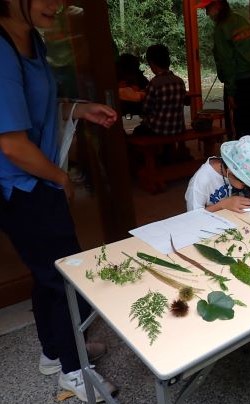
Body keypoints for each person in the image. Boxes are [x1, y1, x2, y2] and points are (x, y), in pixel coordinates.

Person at [0, 0, 119, 401]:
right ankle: (74, 373)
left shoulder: (31, 38)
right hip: (21, 187)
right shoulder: (0, 49)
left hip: (37, 181)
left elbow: (38, 107)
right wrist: (60, 177)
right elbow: (12, 144)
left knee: (47, 274)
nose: (58, 3)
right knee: (65, 279)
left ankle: (55, 352)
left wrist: (81, 109)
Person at [197, 0, 250, 138]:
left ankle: (239, 157)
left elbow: (227, 62)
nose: (207, 13)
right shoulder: (241, 20)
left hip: (239, 81)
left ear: (219, 5)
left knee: (238, 125)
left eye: (208, 8)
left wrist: (231, 92)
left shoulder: (222, 28)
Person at [185, 136, 250, 213]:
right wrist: (222, 205)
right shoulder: (201, 181)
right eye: (248, 184)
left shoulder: (238, 173)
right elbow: (193, 216)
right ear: (231, 172)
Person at [133, 44, 186, 137]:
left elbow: (146, 109)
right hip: (178, 128)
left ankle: (152, 151)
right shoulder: (179, 81)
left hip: (158, 129)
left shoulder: (154, 83)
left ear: (152, 64)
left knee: (136, 132)